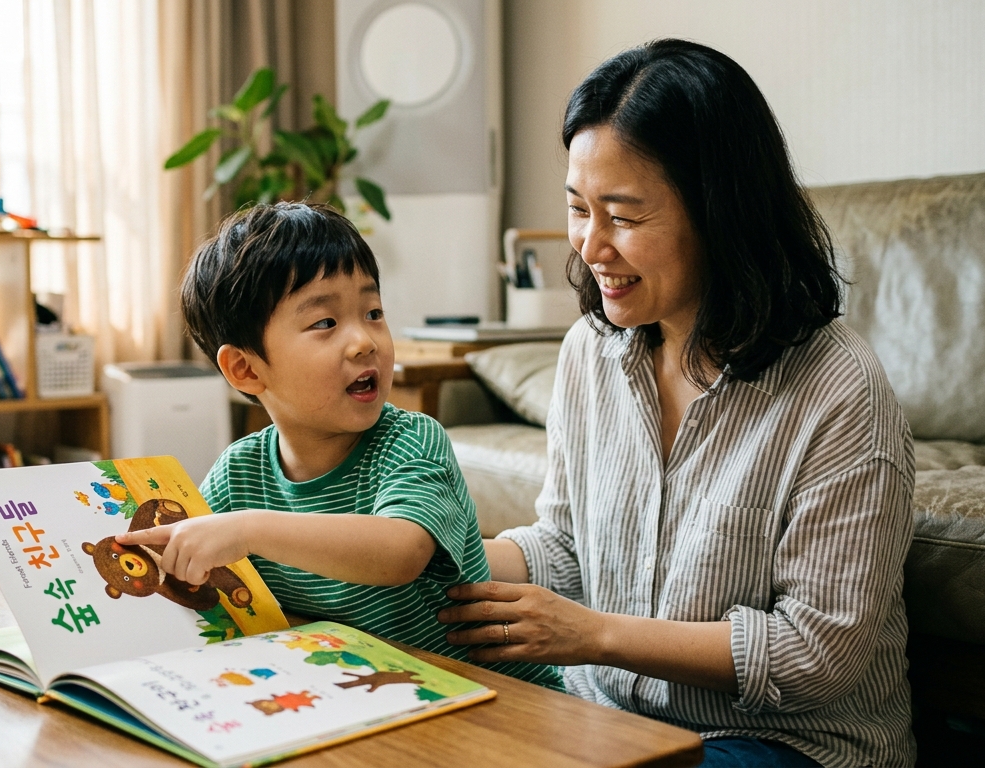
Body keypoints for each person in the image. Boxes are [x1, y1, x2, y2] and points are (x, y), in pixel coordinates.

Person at [436, 40, 916, 767]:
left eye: (623, 216)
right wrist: (430, 558)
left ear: (721, 213)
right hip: (608, 714)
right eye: (577, 208)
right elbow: (565, 547)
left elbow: (817, 653)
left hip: (787, 743)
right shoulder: (589, 353)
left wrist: (592, 633)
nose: (591, 245)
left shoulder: (839, 392)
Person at [119, 202, 561, 690]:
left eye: (373, 313)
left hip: (492, 698)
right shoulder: (238, 473)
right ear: (246, 369)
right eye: (325, 323)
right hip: (359, 695)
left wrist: (249, 531)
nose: (364, 342)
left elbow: (400, 551)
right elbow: (206, 581)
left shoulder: (413, 441)